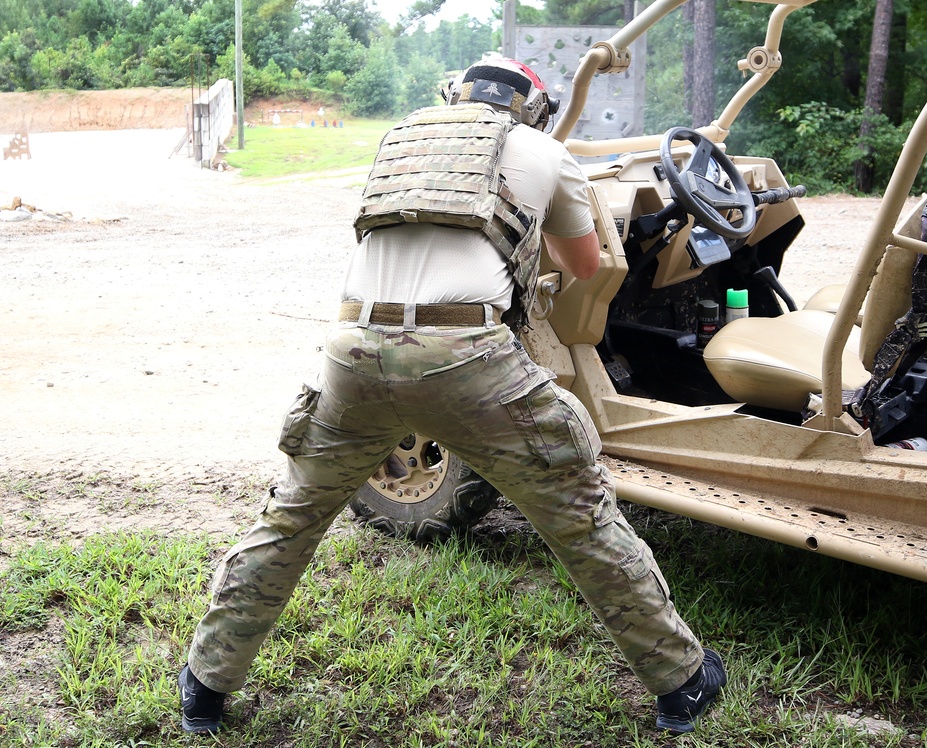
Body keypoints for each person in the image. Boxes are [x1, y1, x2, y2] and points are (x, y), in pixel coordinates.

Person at [179, 57, 726, 737]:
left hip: (353, 348)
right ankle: (681, 682)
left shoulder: (403, 140)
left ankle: (204, 687)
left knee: (289, 519)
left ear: (455, 97)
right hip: (468, 358)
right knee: (581, 518)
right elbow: (586, 266)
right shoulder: (546, 151)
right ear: (533, 107)